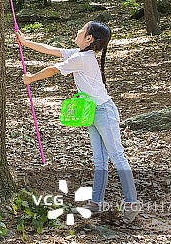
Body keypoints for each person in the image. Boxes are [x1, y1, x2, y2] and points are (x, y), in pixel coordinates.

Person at [17, 21, 141, 225]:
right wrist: (25, 42)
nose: (78, 31)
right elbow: (53, 51)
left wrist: (31, 79)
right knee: (100, 160)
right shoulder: (81, 54)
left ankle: (132, 203)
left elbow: (53, 69)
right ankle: (96, 202)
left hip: (104, 113)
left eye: (82, 30)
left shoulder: (83, 58)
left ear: (89, 39)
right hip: (91, 112)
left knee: (118, 157)